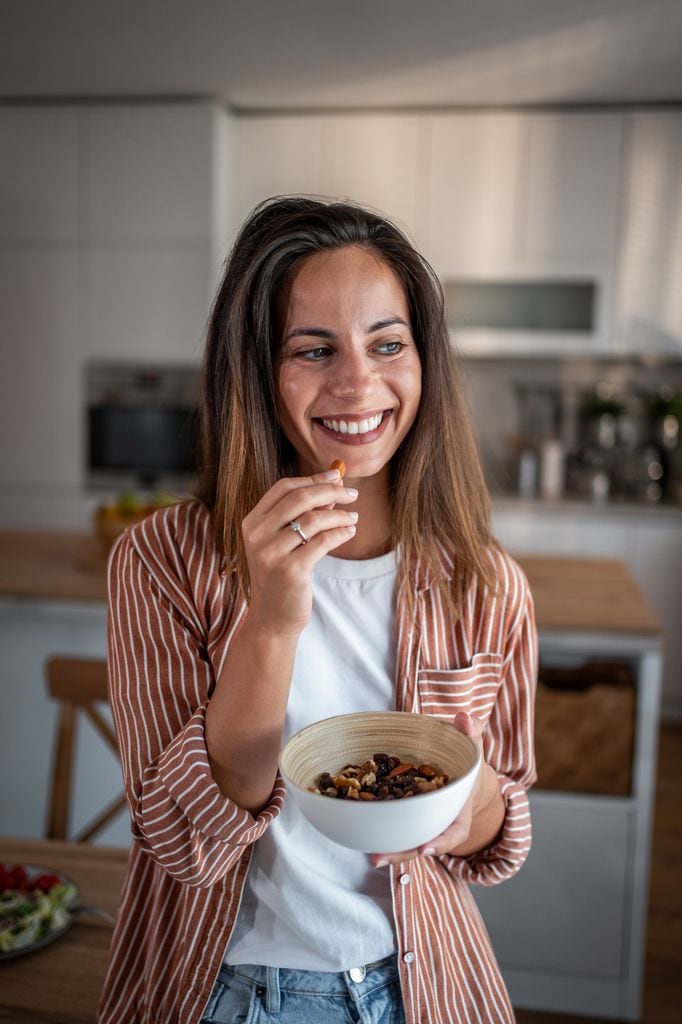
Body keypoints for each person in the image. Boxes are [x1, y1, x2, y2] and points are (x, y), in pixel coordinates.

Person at [99, 196, 537, 1024]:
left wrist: (451, 806)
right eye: (313, 349)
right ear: (258, 370)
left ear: (423, 362)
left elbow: (500, 836)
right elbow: (180, 844)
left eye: (387, 344)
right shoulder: (161, 561)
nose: (357, 384)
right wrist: (271, 621)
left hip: (425, 985)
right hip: (227, 987)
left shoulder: (487, 585)